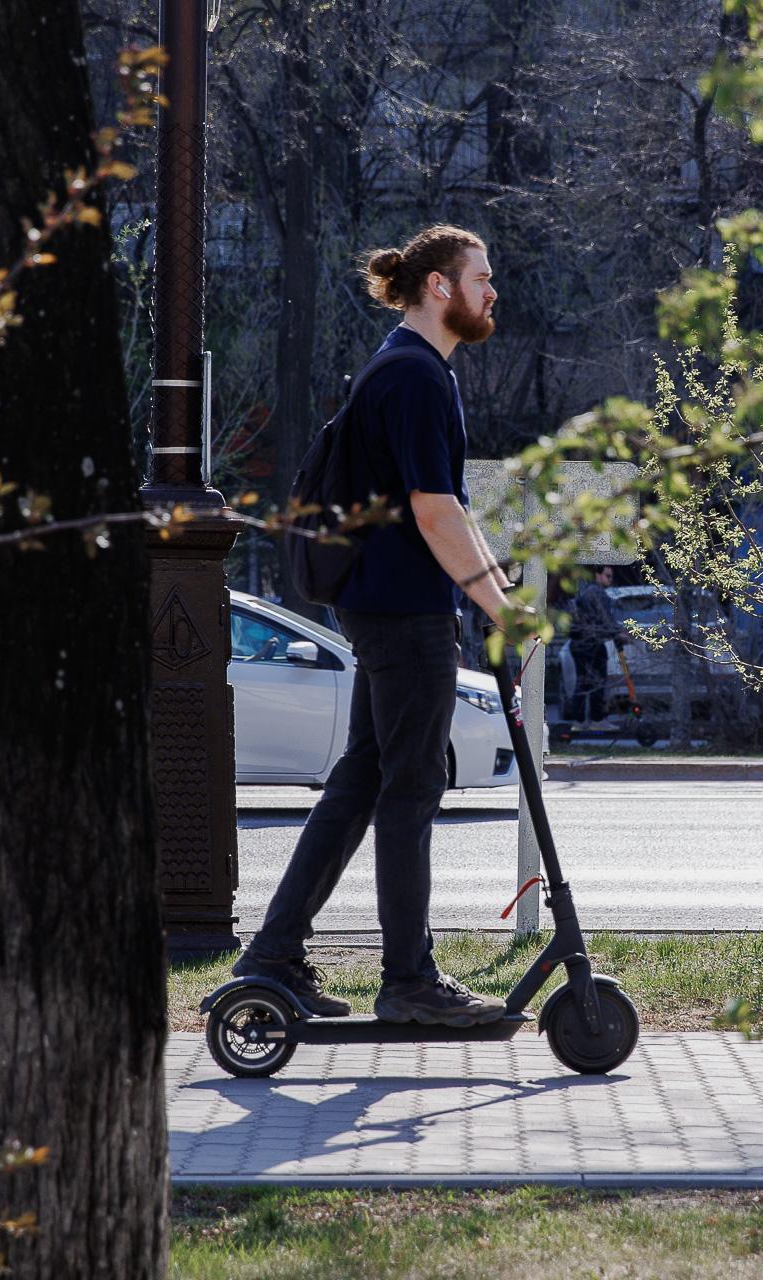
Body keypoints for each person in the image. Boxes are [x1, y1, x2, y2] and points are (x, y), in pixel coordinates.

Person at [232, 224, 521, 1026]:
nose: (492, 291)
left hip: (391, 602)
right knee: (411, 787)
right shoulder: (415, 376)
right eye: (481, 277)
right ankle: (410, 981)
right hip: (403, 610)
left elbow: (450, 510)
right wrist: (500, 608)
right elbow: (433, 512)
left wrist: (500, 595)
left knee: (363, 777)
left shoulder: (410, 369)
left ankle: (274, 956)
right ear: (440, 286)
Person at [568, 565, 625, 725]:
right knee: (595, 682)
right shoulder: (597, 594)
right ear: (598, 575)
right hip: (589, 645)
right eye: (608, 576)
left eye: (611, 576)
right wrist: (618, 633)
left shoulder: (588, 593)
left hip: (583, 643)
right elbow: (605, 619)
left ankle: (581, 721)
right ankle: (595, 719)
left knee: (585, 681)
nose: (610, 579)